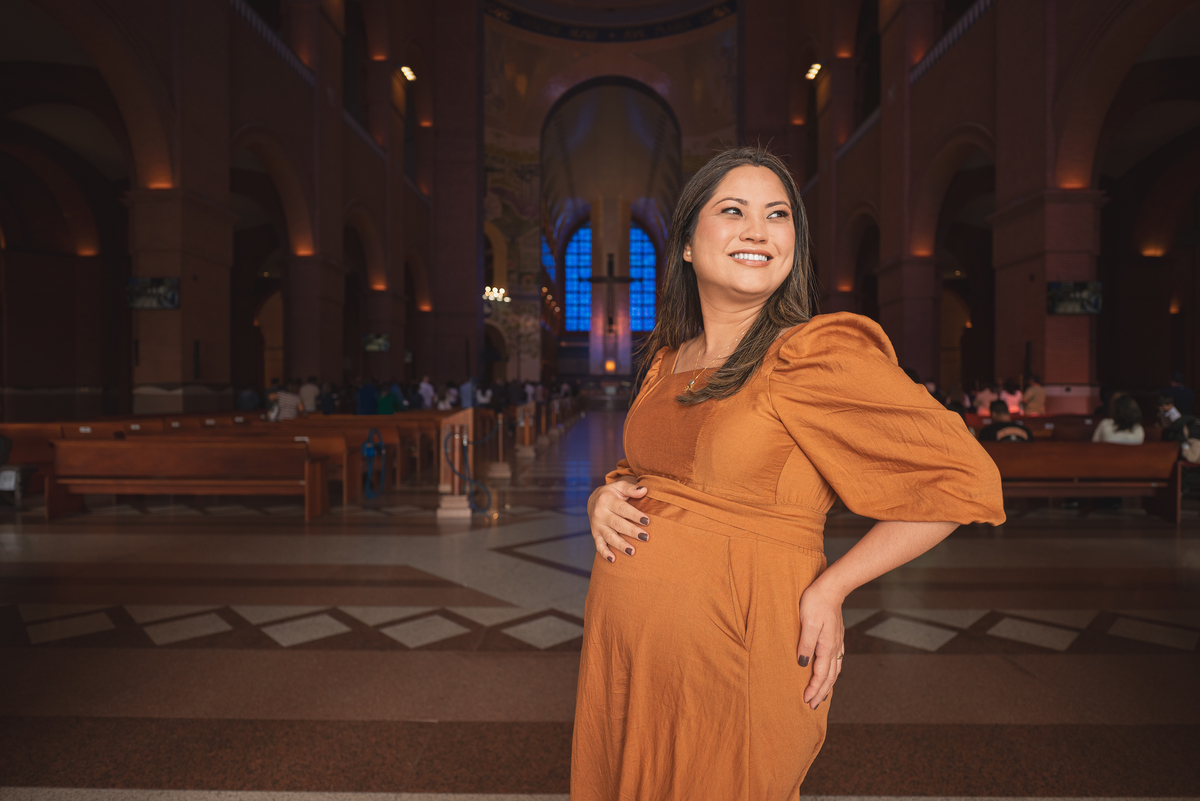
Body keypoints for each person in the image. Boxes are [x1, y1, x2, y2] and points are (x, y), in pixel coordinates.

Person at [576, 146, 1004, 800]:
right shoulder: (667, 358)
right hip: (629, 660)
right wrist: (603, 497)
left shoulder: (809, 354)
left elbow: (963, 477)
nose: (758, 230)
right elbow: (647, 469)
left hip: (737, 647)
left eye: (778, 215)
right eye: (733, 210)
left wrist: (835, 585)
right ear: (686, 242)